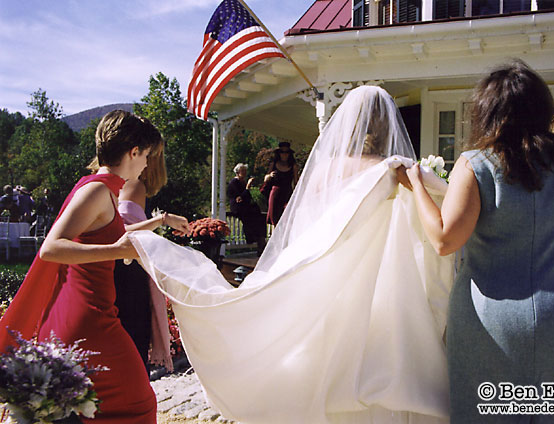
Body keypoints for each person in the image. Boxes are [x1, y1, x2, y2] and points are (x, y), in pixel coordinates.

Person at [128, 85, 454, 424]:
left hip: (321, 285)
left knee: (320, 371)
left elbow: (306, 225)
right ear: (387, 126)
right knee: (374, 371)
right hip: (378, 291)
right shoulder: (395, 169)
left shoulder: (324, 169)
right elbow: (438, 207)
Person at [402, 60, 554, 422]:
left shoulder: (476, 164)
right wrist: (543, 117)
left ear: (487, 111)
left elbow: (444, 239)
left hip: (491, 317)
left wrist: (416, 184)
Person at [0, 110, 188, 423]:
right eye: (148, 156)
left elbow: (109, 232)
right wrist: (115, 251)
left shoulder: (100, 187)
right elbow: (51, 248)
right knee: (138, 406)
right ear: (133, 152)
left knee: (98, 411)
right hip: (91, 320)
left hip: (90, 314)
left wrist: (161, 220)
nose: (147, 165)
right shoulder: (98, 190)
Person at [112, 143, 185, 373]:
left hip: (121, 270)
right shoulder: (134, 185)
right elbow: (123, 230)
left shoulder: (122, 185)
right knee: (133, 340)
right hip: (127, 273)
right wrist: (161, 220)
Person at [227, 163, 267, 255]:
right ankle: (255, 241)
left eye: (245, 171)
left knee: (260, 218)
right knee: (251, 220)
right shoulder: (234, 183)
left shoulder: (243, 182)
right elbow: (240, 198)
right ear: (237, 172)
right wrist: (247, 187)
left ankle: (261, 244)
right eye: (242, 171)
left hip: (247, 207)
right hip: (239, 208)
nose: (245, 173)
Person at [261, 141, 299, 225]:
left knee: (286, 217)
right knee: (274, 218)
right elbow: (265, 179)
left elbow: (296, 182)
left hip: (287, 193)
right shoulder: (273, 164)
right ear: (279, 153)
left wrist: (297, 195)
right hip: (275, 193)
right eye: (282, 152)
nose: (284, 154)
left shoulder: (293, 166)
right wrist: (270, 175)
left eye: (287, 152)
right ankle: (274, 236)